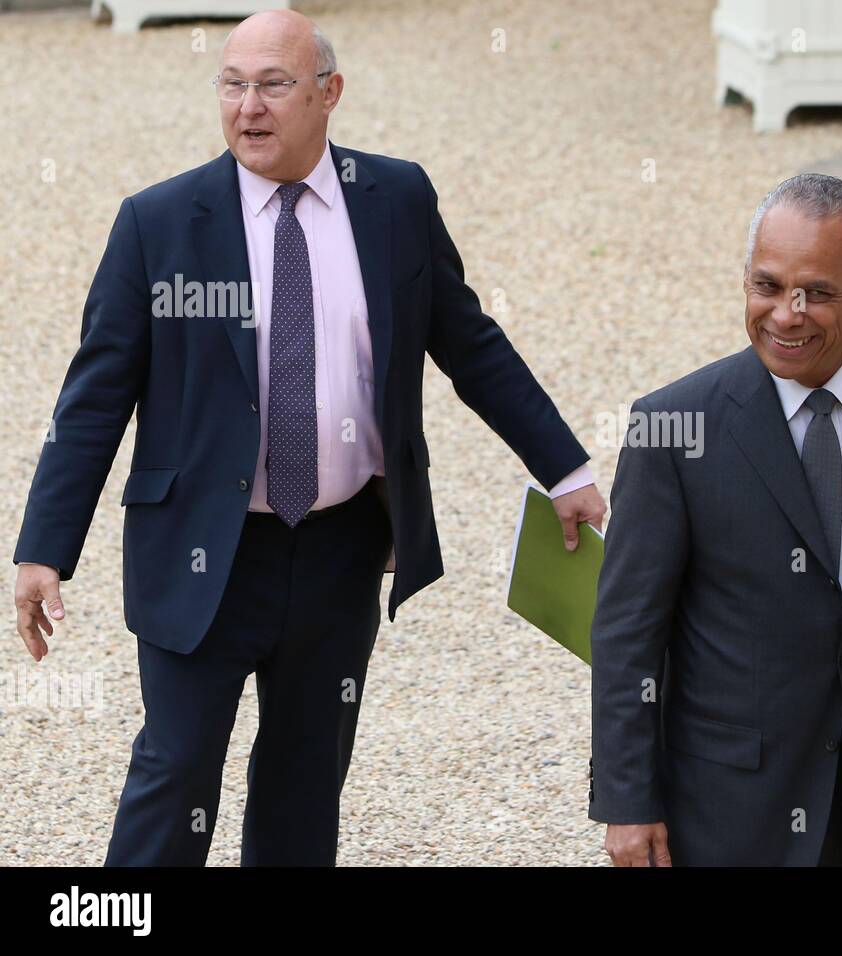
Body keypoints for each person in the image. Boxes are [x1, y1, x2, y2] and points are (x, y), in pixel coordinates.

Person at [12, 9, 605, 866]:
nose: (248, 108)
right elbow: (95, 398)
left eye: (274, 86)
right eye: (232, 84)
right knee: (174, 772)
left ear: (330, 94)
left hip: (340, 550)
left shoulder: (396, 199)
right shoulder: (159, 222)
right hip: (200, 551)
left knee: (303, 785)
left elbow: (470, 344)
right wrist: (44, 549)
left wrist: (566, 467)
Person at [588, 173, 842, 866]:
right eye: (768, 286)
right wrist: (628, 802)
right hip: (729, 812)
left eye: (817, 292)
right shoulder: (670, 426)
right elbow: (628, 630)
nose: (787, 313)